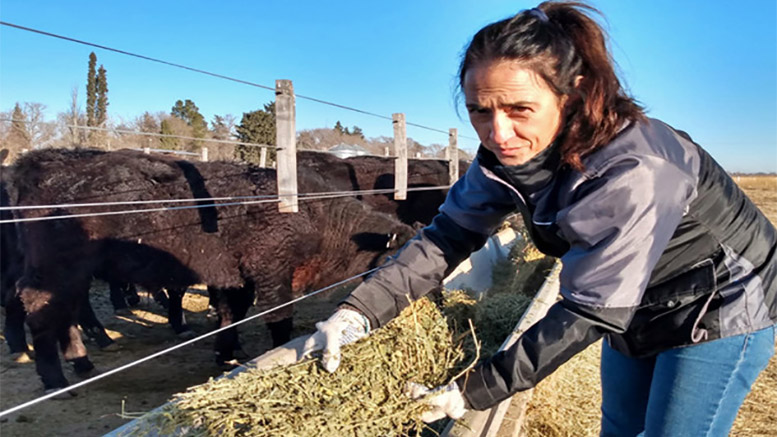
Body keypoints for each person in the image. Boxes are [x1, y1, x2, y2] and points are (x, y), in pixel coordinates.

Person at [303, 2, 777, 435]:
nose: (498, 132)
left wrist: (472, 390)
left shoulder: (635, 168)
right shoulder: (502, 156)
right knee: (619, 427)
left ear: (572, 95)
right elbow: (447, 236)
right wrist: (357, 312)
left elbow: (589, 311)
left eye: (519, 109)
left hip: (721, 299)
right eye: (479, 111)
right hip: (630, 298)